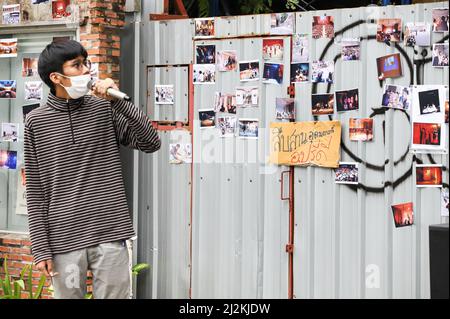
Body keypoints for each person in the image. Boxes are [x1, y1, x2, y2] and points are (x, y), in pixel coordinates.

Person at [24, 40, 161, 299]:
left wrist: (117, 100)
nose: (86, 69)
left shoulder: (103, 108)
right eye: (76, 65)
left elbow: (151, 142)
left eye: (86, 62)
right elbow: (35, 190)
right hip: (64, 239)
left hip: (110, 232)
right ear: (56, 77)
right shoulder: (35, 122)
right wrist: (41, 247)